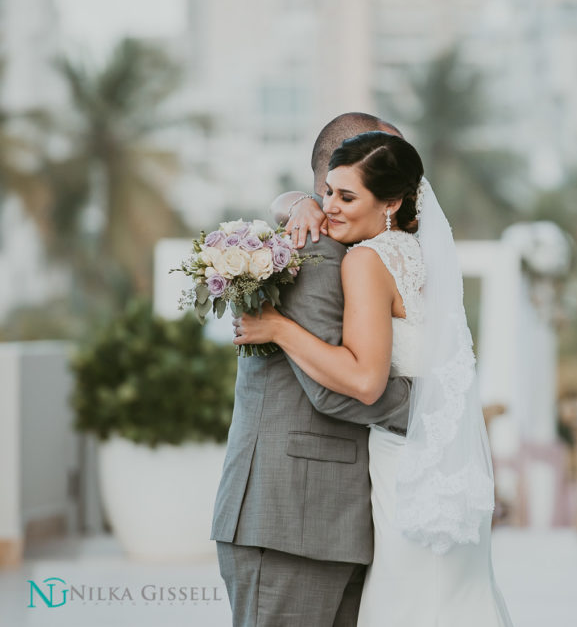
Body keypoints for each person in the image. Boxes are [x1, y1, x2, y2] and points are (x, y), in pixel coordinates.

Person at [233, 131, 513, 626]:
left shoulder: (366, 260)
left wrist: (279, 327)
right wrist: (299, 202)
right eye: (326, 193)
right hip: (445, 470)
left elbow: (365, 381)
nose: (329, 209)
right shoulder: (421, 256)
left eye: (346, 196)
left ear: (392, 201)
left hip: (404, 470)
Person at [211, 113, 412, 627]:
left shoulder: (362, 253)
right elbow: (334, 392)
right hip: (286, 517)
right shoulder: (315, 253)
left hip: (327, 518)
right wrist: (435, 404)